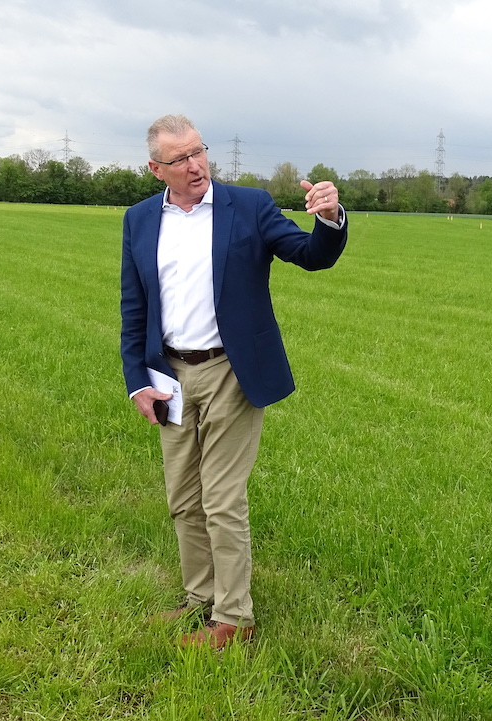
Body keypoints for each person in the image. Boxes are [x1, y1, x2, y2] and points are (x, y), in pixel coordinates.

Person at [120, 114, 347, 648]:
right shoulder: (138, 220)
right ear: (157, 169)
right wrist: (137, 381)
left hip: (231, 371)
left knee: (221, 498)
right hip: (169, 375)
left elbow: (310, 256)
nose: (195, 164)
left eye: (199, 151)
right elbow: (135, 307)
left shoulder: (249, 206)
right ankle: (199, 599)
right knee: (182, 497)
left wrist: (330, 217)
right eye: (180, 159)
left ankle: (234, 619)